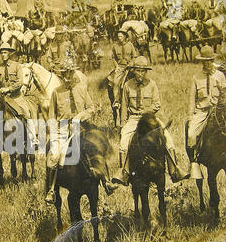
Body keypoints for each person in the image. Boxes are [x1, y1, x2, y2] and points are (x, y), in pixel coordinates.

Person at [45, 57, 118, 204]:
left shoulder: (82, 90)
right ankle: (51, 189)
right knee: (53, 157)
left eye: (70, 73)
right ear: (60, 75)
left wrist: (80, 116)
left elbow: (91, 108)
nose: (67, 77)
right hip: (63, 128)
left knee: (96, 148)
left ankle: (106, 182)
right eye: (64, 74)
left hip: (82, 126)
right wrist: (53, 132)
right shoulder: (56, 93)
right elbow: (51, 117)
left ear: (74, 73)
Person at [112, 56, 189, 186]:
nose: (140, 74)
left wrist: (147, 112)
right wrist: (123, 125)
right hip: (134, 118)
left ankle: (175, 170)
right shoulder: (127, 85)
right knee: (123, 143)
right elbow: (124, 106)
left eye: (143, 71)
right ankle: (124, 172)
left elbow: (157, 104)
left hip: (150, 118)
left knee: (168, 140)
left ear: (146, 72)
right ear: (133, 71)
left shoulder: (152, 84)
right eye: (137, 71)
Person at [186, 45, 226, 179]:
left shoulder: (220, 76)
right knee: (191, 134)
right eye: (204, 61)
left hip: (218, 110)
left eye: (209, 60)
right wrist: (190, 116)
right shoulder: (196, 78)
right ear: (201, 62)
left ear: (213, 60)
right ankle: (194, 163)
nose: (207, 64)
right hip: (202, 112)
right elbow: (192, 99)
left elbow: (225, 95)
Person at [0, 42, 39, 148]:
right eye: (1, 53)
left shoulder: (17, 66)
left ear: (9, 53)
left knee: (27, 115)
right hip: (4, 98)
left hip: (16, 97)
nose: (3, 55)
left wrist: (8, 89)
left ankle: (33, 139)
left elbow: (20, 82)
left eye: (5, 52)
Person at [108, 30, 137, 117]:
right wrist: (116, 67)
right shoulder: (115, 46)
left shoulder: (130, 45)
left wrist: (130, 64)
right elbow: (113, 58)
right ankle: (116, 100)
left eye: (121, 36)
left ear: (124, 36)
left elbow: (134, 56)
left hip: (130, 66)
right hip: (120, 67)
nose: (119, 38)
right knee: (116, 82)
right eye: (118, 36)